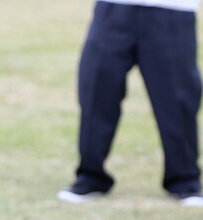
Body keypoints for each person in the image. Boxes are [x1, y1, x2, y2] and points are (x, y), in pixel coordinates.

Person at [58, 0, 203, 206]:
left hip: (172, 10)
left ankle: (185, 180)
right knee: (97, 89)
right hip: (113, 8)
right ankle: (90, 175)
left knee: (177, 98)